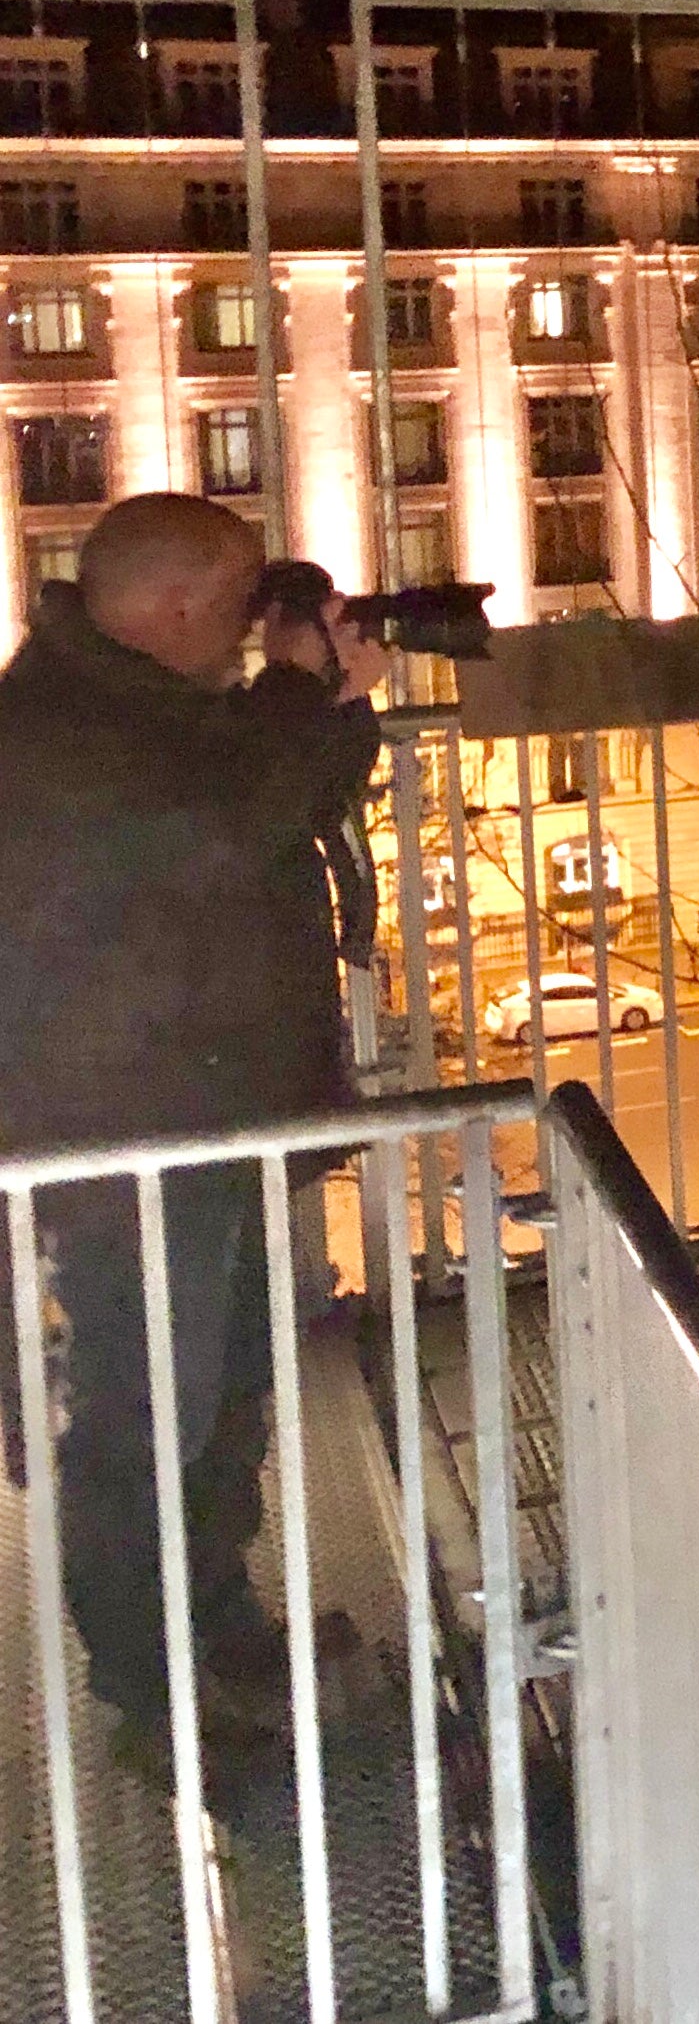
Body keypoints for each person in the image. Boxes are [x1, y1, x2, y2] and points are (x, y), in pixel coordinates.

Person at [0, 494, 384, 1761]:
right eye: (231, 613)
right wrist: (290, 694)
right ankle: (149, 1692)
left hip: (218, 1107)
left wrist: (336, 704)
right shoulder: (55, 729)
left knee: (225, 1397)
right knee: (144, 1417)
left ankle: (218, 1627)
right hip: (132, 1127)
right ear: (171, 606)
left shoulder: (145, 702)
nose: (242, 637)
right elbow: (220, 834)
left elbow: (275, 813)